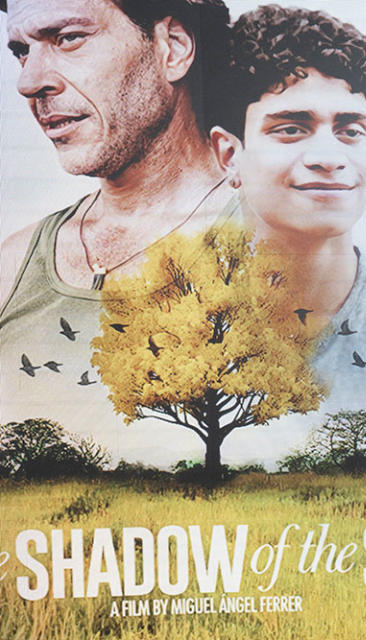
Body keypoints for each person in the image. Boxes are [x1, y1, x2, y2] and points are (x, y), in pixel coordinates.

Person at [0, 0, 231, 458]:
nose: (29, 81)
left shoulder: (292, 246)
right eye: (21, 50)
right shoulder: (12, 264)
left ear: (174, 48)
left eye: (68, 38)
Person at [207, 4, 366, 401]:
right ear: (230, 155)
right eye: (291, 129)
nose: (329, 157)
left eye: (350, 130)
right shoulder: (167, 313)